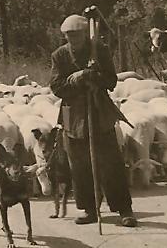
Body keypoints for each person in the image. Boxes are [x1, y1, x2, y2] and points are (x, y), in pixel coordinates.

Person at [49, 14, 137, 227]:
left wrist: (92, 75)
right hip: (73, 116)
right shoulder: (59, 56)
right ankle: (89, 209)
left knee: (110, 162)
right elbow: (56, 86)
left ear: (84, 34)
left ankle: (124, 209)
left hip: (99, 112)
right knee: (79, 165)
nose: (73, 39)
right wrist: (77, 80)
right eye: (69, 35)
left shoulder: (99, 50)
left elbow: (111, 81)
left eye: (77, 34)